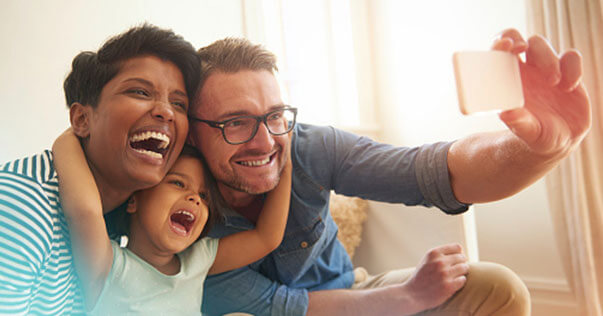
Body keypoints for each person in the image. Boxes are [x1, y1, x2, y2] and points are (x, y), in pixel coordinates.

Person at [188, 29, 591, 315]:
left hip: (351, 294)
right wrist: (408, 296)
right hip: (276, 313)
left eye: (276, 115)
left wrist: (537, 149)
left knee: (497, 289)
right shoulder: (176, 213)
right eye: (235, 123)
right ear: (192, 133)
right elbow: (284, 309)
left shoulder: (308, 146)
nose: (265, 141)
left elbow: (432, 172)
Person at [0, 24, 201, 315]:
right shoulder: (22, 203)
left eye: (179, 103)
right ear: (81, 119)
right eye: (140, 91)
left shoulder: (119, 225)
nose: (166, 111)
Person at [52, 130, 292, 314]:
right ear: (133, 201)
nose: (194, 198)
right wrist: (72, 134)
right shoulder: (108, 265)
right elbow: (85, 210)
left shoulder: (198, 259)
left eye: (204, 196)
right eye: (178, 183)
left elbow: (267, 237)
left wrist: (284, 157)